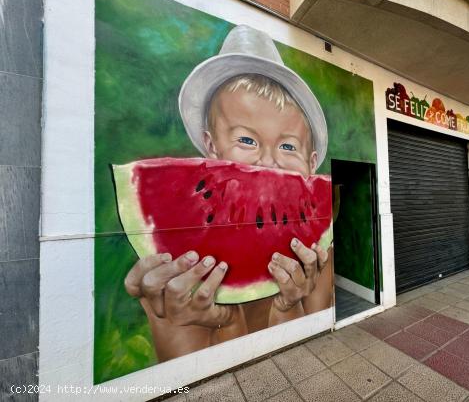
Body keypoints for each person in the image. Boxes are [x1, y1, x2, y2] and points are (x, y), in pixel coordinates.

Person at [123, 25, 333, 362]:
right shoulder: (181, 266)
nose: (268, 162)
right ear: (211, 147)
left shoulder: (319, 255)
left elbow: (311, 353)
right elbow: (183, 385)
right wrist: (206, 322)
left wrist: (286, 308)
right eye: (246, 140)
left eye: (288, 145)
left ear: (311, 165)